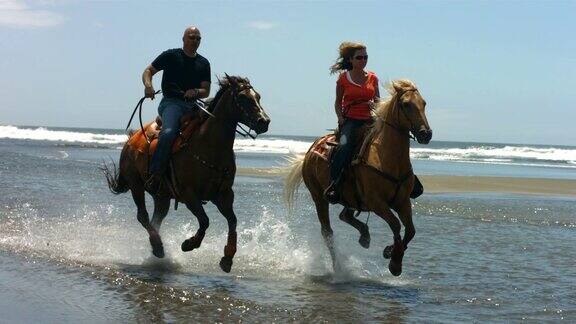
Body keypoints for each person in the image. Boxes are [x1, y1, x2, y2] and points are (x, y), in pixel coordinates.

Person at [142, 26, 211, 194]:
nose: (195, 41)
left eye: (198, 38)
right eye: (191, 37)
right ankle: (156, 173)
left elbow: (206, 91)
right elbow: (148, 71)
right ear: (183, 39)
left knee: (212, 128)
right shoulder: (171, 55)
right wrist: (148, 86)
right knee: (168, 132)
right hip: (171, 103)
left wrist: (195, 92)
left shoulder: (203, 63)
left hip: (193, 104)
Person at [325, 41, 380, 203]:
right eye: (359, 57)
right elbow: (337, 102)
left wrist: (375, 105)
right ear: (351, 60)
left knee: (392, 141)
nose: (363, 60)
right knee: (344, 148)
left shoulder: (373, 78)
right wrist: (340, 118)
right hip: (351, 120)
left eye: (366, 57)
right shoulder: (343, 79)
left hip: (370, 119)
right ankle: (334, 184)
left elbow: (378, 100)